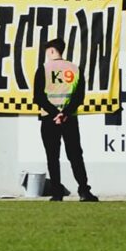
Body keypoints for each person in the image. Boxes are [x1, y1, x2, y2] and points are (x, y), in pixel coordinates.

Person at [34, 39, 96, 202]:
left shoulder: (43, 69)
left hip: (49, 118)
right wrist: (65, 113)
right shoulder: (75, 69)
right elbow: (79, 97)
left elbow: (38, 97)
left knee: (52, 157)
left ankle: (57, 193)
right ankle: (84, 191)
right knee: (75, 155)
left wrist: (55, 113)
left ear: (52, 51)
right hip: (70, 119)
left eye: (48, 51)